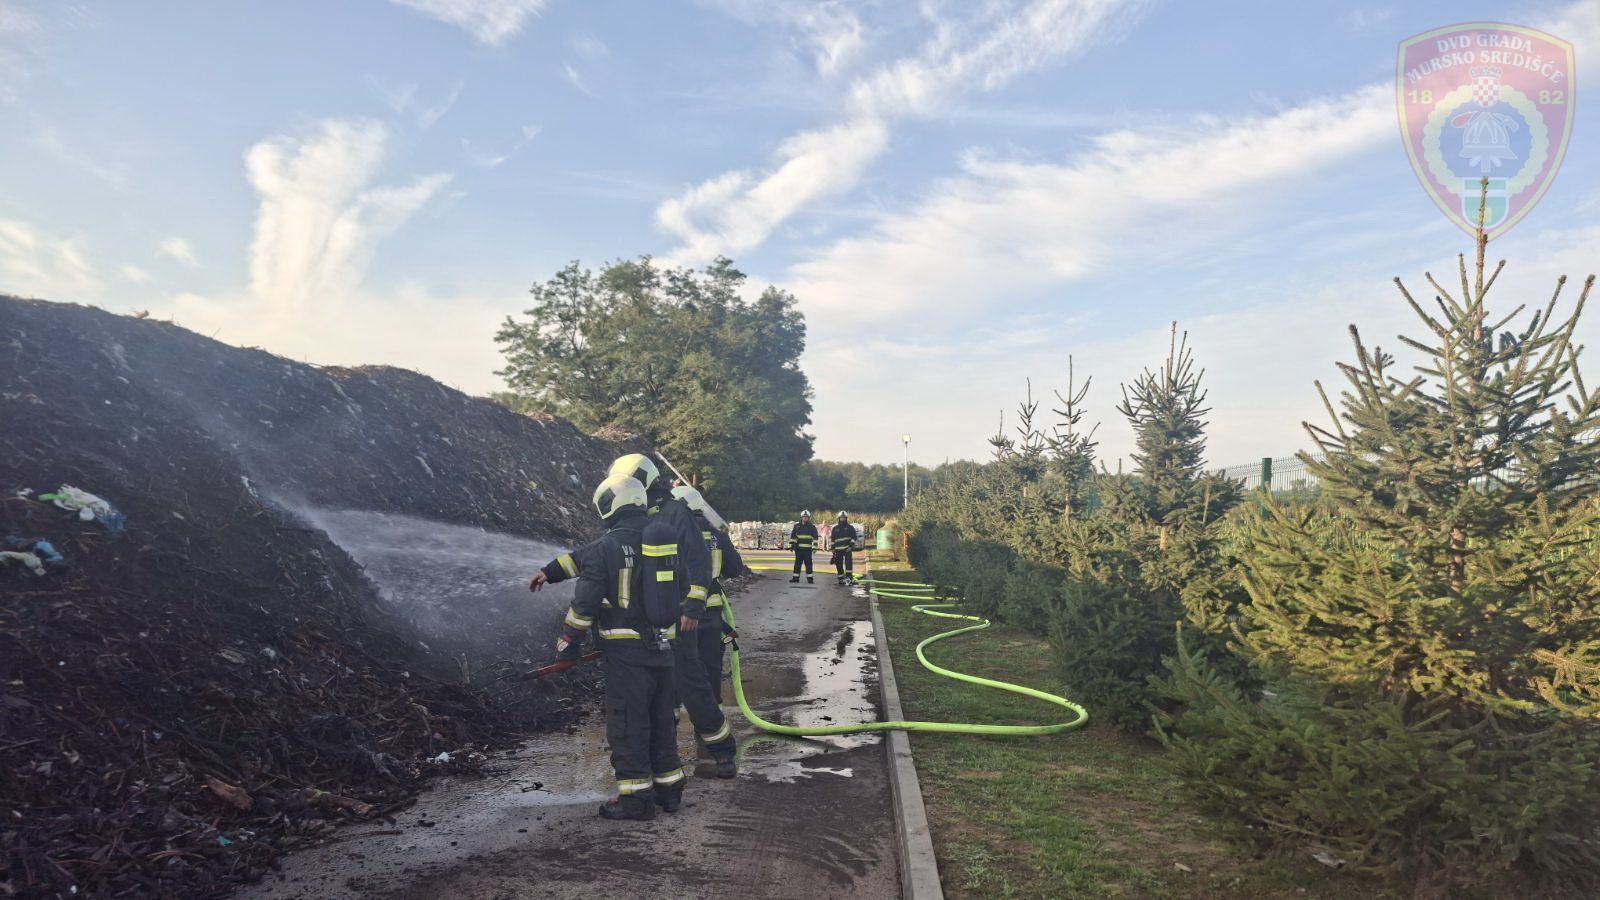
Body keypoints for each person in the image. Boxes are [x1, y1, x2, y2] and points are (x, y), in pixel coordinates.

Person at [529, 474, 684, 820]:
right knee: (661, 720)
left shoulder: (607, 547)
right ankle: (669, 791)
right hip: (663, 650)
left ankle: (635, 800)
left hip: (626, 657)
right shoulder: (660, 540)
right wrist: (549, 571)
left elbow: (583, 607)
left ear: (609, 505)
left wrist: (567, 646)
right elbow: (580, 558)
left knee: (628, 724)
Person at [607, 454, 740, 778]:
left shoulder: (675, 514)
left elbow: (699, 565)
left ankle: (722, 751)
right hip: (647, 621)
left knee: (690, 684)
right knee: (656, 692)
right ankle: (661, 764)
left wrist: (692, 608)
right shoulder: (639, 515)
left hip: (678, 618)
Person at [671, 485, 748, 711]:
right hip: (712, 613)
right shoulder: (717, 534)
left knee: (679, 665)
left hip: (682, 613)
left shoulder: (673, 531)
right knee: (711, 665)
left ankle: (672, 714)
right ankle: (713, 718)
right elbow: (735, 568)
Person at [789, 510, 818, 584]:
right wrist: (791, 545)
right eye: (804, 517)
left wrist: (814, 547)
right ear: (801, 517)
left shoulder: (812, 527)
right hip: (798, 549)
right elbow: (793, 536)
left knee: (808, 564)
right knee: (797, 564)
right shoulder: (797, 526)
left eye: (806, 517)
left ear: (808, 518)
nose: (805, 518)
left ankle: (810, 579)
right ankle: (795, 578)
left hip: (807, 550)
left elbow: (815, 538)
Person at [831, 511, 858, 586]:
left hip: (847, 549)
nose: (842, 519)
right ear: (839, 518)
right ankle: (841, 579)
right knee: (839, 564)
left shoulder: (850, 527)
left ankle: (849, 578)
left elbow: (854, 538)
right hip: (838, 550)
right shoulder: (835, 528)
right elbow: (832, 539)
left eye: (843, 518)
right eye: (841, 518)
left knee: (848, 564)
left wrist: (850, 546)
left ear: (846, 518)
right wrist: (833, 549)